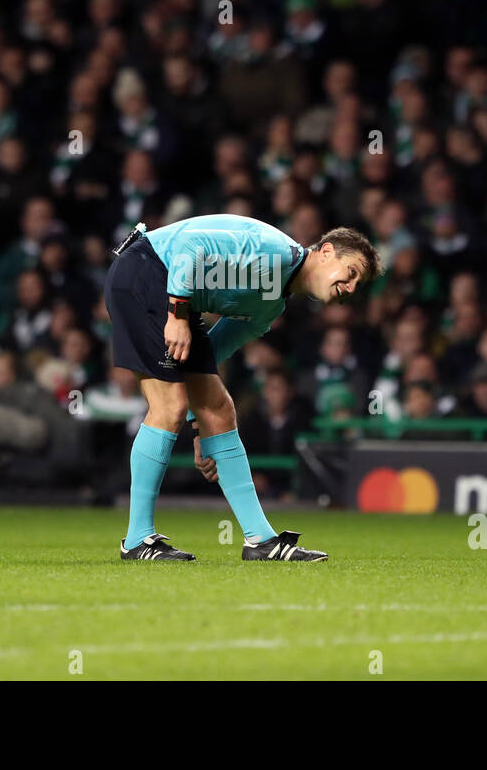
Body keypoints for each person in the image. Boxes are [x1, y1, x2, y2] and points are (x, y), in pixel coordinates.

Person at [103, 215, 381, 560]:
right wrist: (176, 315)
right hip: (145, 273)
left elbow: (207, 359)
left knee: (218, 410)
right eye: (351, 273)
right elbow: (193, 247)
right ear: (325, 252)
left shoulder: (270, 306)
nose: (350, 289)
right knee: (167, 406)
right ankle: (137, 539)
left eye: (358, 285)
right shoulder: (275, 253)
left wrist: (200, 427)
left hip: (174, 293)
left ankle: (260, 541)